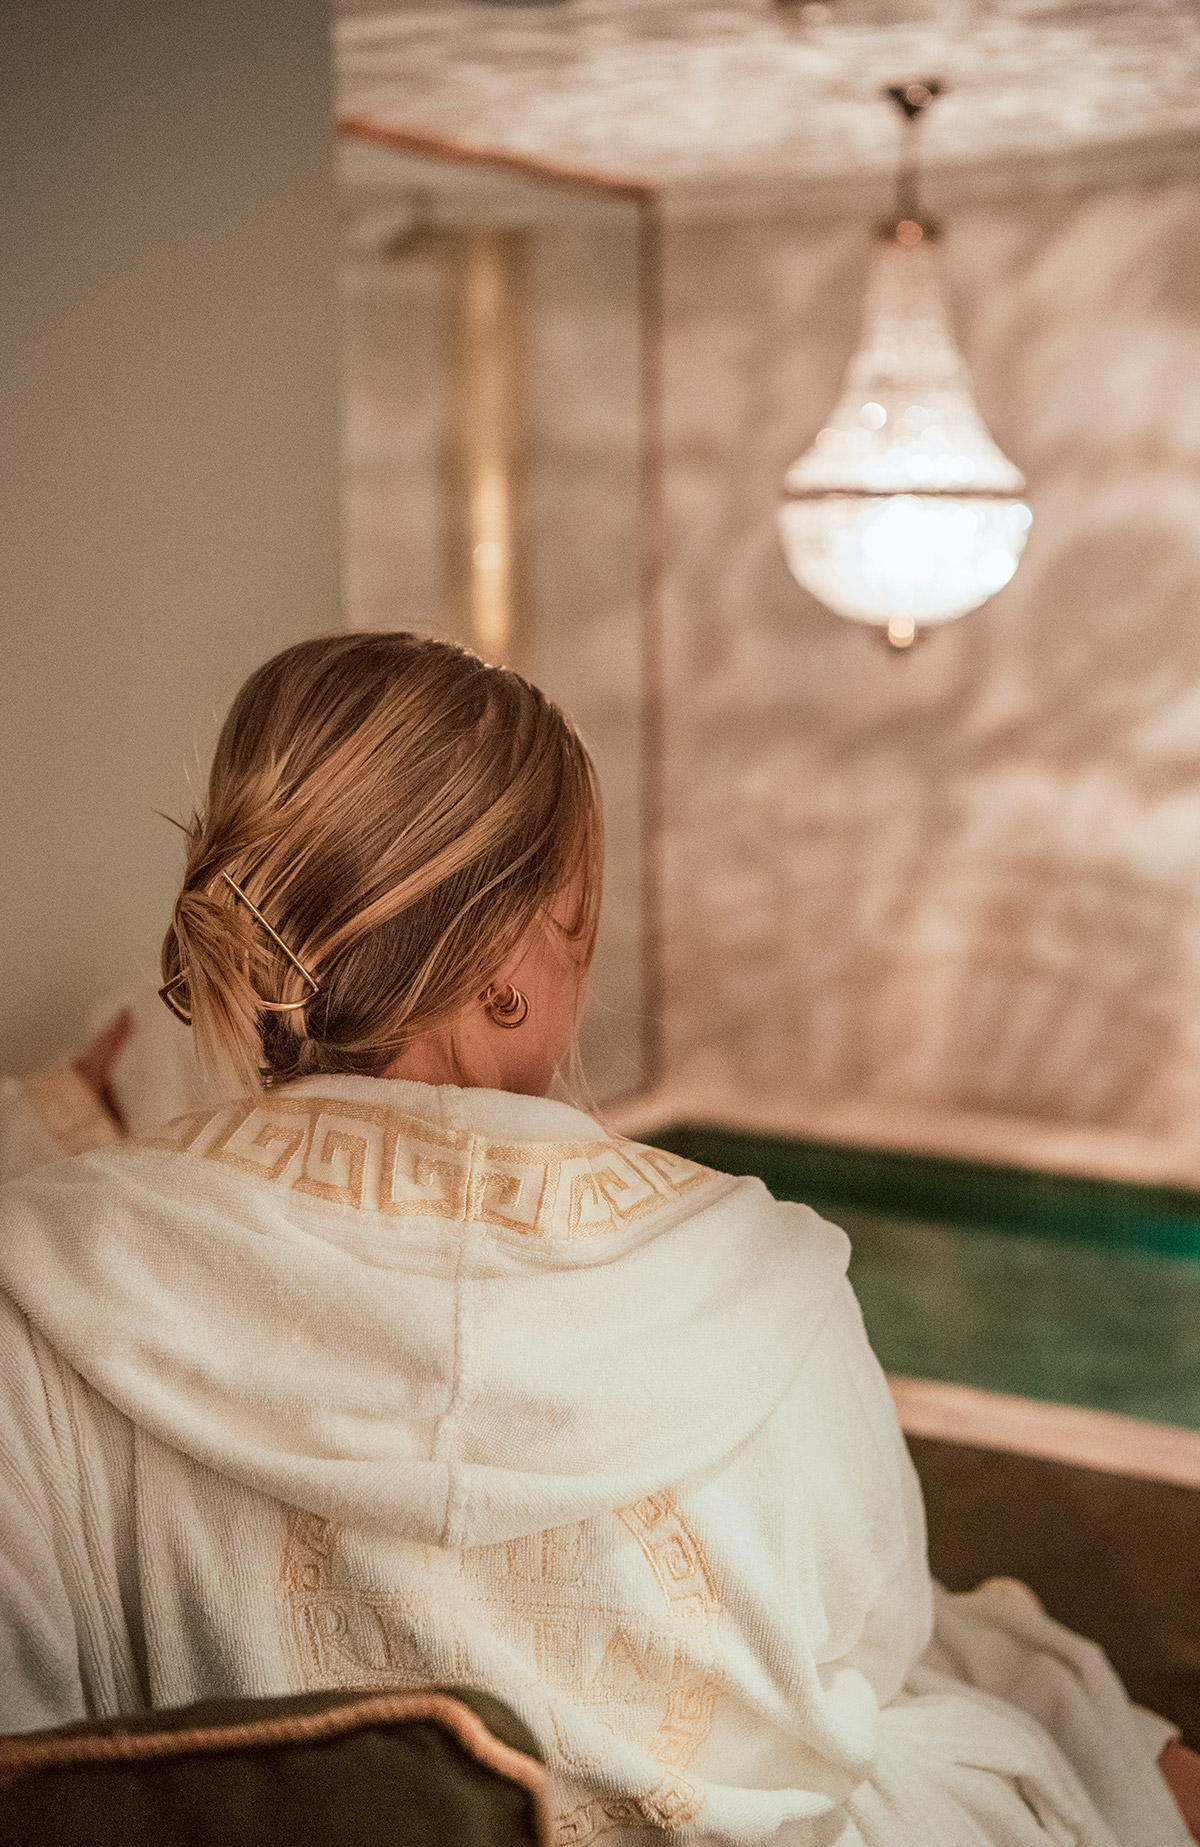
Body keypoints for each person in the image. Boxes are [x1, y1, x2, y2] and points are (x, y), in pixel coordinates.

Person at [0, 630, 1196, 1846]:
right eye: (578, 917)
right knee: (992, 1715)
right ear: (509, 960)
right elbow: (870, 1648)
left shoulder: (41, 1282)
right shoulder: (768, 1279)